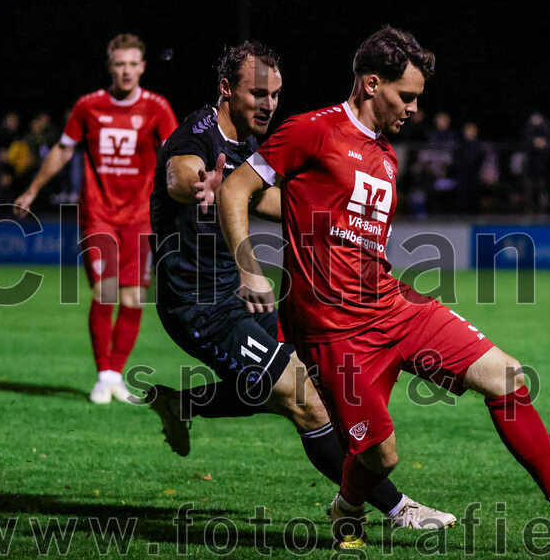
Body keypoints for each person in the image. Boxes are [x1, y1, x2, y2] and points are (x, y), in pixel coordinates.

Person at [217, 26, 550, 548]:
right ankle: (348, 506)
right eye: (407, 96)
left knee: (508, 377)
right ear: (372, 84)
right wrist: (249, 269)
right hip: (337, 334)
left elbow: (308, 209)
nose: (414, 108)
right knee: (381, 456)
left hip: (394, 306)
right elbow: (236, 188)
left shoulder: (387, 156)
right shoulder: (312, 130)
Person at [146, 40, 455, 531]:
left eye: (276, 95)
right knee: (303, 401)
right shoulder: (198, 136)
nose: (270, 105)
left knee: (299, 379)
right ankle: (398, 509)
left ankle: (182, 402)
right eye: (258, 94)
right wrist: (201, 183)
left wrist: (339, 217)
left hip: (242, 298)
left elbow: (273, 202)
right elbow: (179, 176)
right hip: (198, 307)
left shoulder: (249, 143)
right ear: (226, 89)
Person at [14, 34, 178, 403]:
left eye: (132, 64)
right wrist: (33, 190)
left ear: (142, 67)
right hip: (99, 214)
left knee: (134, 298)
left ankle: (115, 375)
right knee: (105, 290)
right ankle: (104, 374)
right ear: (110, 67)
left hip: (139, 217)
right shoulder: (88, 106)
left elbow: (176, 154)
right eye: (119, 64)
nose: (126, 71)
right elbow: (63, 149)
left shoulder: (158, 107)